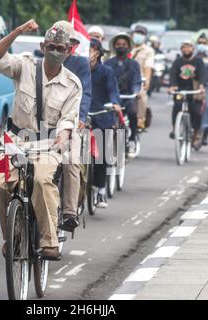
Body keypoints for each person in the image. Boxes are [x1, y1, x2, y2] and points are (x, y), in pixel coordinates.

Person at [0, 20, 82, 260]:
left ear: (69, 51)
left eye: (61, 49)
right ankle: (13, 235)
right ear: (43, 45)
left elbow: (68, 119)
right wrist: (18, 30)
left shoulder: (72, 84)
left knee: (41, 179)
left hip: (49, 145)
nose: (55, 52)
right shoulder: (25, 66)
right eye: (51, 46)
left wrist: (62, 137)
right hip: (16, 142)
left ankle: (49, 239)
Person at [51, 20, 91, 232]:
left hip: (70, 123)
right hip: (40, 126)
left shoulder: (80, 64)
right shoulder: (42, 62)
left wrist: (81, 117)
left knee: (71, 162)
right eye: (54, 44)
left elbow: (85, 94)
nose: (58, 49)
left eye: (64, 44)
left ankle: (69, 211)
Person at [88, 38, 121, 208]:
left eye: (91, 49)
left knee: (100, 155)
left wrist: (114, 103)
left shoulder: (106, 71)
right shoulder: (77, 71)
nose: (88, 53)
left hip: (102, 115)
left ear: (98, 53)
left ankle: (100, 190)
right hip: (81, 117)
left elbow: (112, 91)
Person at [105, 33, 142, 159]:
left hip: (127, 97)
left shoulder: (134, 64)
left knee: (132, 111)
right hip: (112, 98)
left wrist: (136, 92)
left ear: (128, 47)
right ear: (114, 47)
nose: (121, 47)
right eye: (118, 45)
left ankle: (132, 138)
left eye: (124, 45)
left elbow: (137, 81)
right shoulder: (108, 63)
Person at [168, 39, 206, 147]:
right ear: (181, 49)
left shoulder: (198, 61)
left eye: (188, 47)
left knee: (196, 112)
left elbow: (203, 74)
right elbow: (173, 75)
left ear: (193, 49)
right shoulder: (178, 62)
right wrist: (172, 86)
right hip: (181, 90)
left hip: (194, 91)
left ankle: (196, 133)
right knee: (177, 107)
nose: (186, 49)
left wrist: (202, 86)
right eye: (184, 47)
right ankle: (174, 128)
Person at [130, 25, 154, 131]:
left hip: (138, 80)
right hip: (122, 78)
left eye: (142, 34)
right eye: (137, 33)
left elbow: (148, 67)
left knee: (142, 95)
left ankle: (140, 120)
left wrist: (147, 81)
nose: (139, 35)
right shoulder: (126, 45)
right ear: (132, 34)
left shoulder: (148, 51)